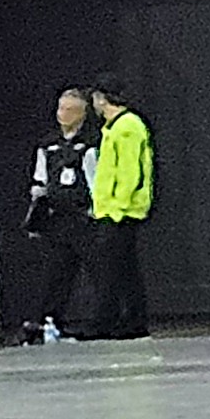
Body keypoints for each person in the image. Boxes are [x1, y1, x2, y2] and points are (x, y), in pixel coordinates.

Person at [23, 86, 96, 344]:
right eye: (60, 108)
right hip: (57, 219)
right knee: (56, 272)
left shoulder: (91, 142)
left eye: (69, 110)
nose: (62, 114)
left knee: (93, 270)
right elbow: (39, 180)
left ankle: (97, 320)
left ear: (82, 113)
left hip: (84, 217)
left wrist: (94, 210)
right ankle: (49, 320)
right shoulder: (47, 144)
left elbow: (95, 178)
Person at [85, 75, 152, 338]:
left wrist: (117, 207)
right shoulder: (115, 127)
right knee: (124, 268)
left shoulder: (127, 127)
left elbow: (128, 171)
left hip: (121, 211)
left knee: (114, 270)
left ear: (102, 98)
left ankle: (112, 321)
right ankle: (130, 320)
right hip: (113, 209)